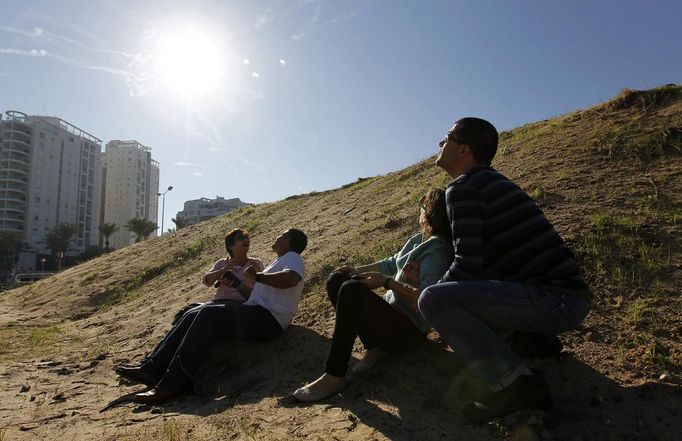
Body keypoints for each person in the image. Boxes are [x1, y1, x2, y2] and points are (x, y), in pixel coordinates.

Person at [418, 117, 592, 422]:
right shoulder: (490, 181)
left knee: (433, 300)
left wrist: (422, 299)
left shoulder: (463, 187)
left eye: (447, 137)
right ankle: (531, 342)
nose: (440, 143)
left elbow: (467, 267)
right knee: (454, 297)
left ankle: (516, 384)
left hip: (554, 300)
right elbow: (486, 264)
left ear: (464, 150)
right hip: (563, 297)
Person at [293, 189, 453, 402]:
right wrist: (356, 270)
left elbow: (429, 297)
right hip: (389, 320)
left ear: (429, 211)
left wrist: (387, 283)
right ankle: (374, 347)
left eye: (422, 205)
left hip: (409, 331)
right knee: (337, 279)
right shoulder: (418, 240)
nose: (419, 209)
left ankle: (335, 375)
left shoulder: (438, 251)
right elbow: (390, 263)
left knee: (350, 290)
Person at [115, 228, 308, 404]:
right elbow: (255, 296)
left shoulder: (292, 257)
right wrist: (237, 284)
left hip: (269, 320)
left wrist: (257, 277)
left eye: (281, 235)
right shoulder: (276, 262)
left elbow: (291, 278)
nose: (277, 236)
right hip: (257, 312)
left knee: (208, 313)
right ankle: (151, 369)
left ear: (288, 242)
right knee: (193, 312)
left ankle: (172, 385)